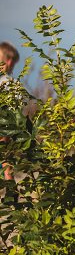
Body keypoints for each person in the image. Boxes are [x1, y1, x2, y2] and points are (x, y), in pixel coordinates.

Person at [1, 41, 19, 183]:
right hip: (5, 127)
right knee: (5, 160)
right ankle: (10, 193)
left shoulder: (7, 82)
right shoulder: (9, 82)